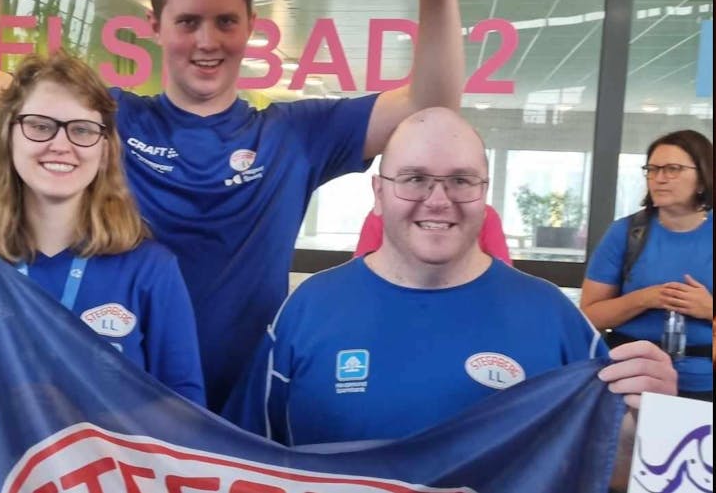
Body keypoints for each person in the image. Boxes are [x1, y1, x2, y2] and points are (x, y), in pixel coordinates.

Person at [0, 0, 485, 412]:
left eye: (225, 21)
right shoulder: (109, 119)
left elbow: (431, 105)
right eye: (188, 21)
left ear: (251, 27)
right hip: (120, 407)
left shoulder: (296, 135)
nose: (207, 41)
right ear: (154, 26)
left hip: (248, 411)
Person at [224, 107, 676, 490]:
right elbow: (242, 463)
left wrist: (654, 424)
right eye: (415, 178)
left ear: (484, 194)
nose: (438, 200)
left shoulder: (554, 317)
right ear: (378, 194)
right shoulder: (307, 310)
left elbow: (612, 471)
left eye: (461, 181)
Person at [0, 51, 205, 421]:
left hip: (104, 478)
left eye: (82, 129)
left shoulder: (149, 270)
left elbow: (185, 416)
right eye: (40, 125)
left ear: (105, 149)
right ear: (7, 137)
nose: (61, 144)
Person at [581, 129, 713, 401]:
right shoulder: (626, 233)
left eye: (672, 169)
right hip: (628, 381)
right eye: (652, 169)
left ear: (702, 179)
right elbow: (590, 316)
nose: (659, 178)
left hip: (703, 388)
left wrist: (707, 309)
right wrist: (645, 299)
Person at [354, 203, 511, 263]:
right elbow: (359, 279)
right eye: (418, 178)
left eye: (458, 180)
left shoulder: (484, 215)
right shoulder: (381, 215)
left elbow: (505, 283)